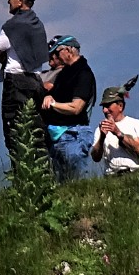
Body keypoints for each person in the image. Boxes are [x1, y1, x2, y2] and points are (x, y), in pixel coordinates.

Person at [0, 0, 48, 166]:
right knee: (34, 130)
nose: (8, 1)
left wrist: (3, 58)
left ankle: (21, 175)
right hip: (36, 81)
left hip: (16, 83)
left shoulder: (14, 25)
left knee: (15, 130)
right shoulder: (38, 24)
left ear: (20, 0)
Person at [41, 35, 96, 182]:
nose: (55, 57)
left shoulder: (83, 74)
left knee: (76, 183)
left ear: (68, 50)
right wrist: (49, 96)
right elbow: (55, 94)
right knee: (62, 185)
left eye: (57, 53)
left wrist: (53, 104)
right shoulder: (65, 73)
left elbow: (76, 107)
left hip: (74, 136)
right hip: (58, 136)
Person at [91, 84, 139, 175]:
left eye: (108, 106)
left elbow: (138, 148)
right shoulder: (100, 129)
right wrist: (102, 137)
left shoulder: (136, 124)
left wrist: (117, 133)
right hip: (111, 177)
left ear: (120, 106)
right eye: (103, 107)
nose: (105, 110)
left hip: (135, 173)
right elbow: (95, 157)